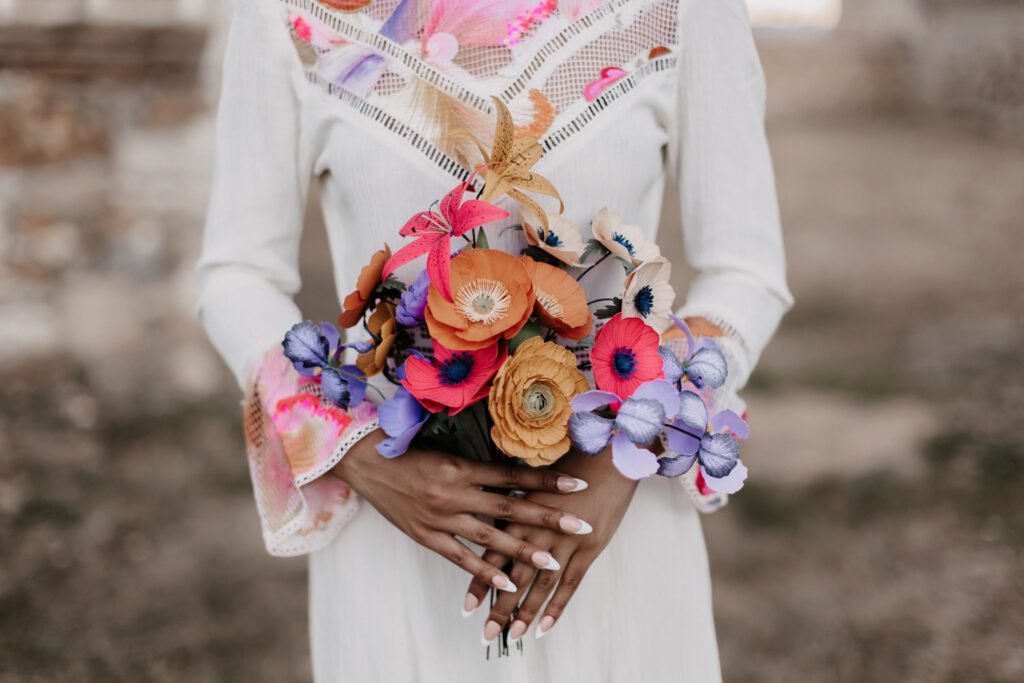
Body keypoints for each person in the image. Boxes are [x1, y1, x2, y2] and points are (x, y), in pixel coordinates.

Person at [197, 0, 792, 680]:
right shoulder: (293, 13)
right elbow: (235, 273)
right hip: (397, 527)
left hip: (615, 524)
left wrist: (639, 440)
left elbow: (747, 271)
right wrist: (350, 447)